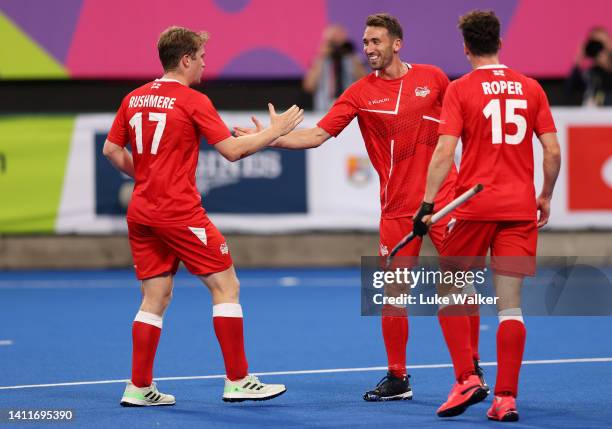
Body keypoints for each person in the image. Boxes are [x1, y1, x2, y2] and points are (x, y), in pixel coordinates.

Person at [235, 13, 475, 402]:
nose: (369, 48)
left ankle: (472, 370)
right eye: (365, 42)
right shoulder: (360, 93)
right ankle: (398, 378)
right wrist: (267, 138)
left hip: (445, 200)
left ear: (397, 43)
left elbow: (461, 128)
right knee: (393, 293)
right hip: (397, 208)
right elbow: (315, 135)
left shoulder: (434, 78)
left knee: (460, 285)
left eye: (376, 41)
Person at [102, 26, 304, 406]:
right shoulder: (192, 100)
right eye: (202, 58)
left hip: (142, 212)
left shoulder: (133, 98)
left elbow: (112, 151)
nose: (204, 65)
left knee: (154, 297)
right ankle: (239, 379)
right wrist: (274, 132)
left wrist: (146, 176)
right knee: (226, 287)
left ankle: (139, 387)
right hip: (178, 211)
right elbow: (231, 150)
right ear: (185, 60)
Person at [414, 10, 561, 421]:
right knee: (510, 307)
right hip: (518, 210)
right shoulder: (531, 88)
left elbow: (444, 153)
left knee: (449, 291)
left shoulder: (460, 90)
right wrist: (544, 195)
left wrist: (427, 205)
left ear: (465, 47)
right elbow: (552, 151)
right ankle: (506, 398)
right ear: (500, 42)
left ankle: (466, 379)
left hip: (474, 209)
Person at [303, 24, 367, 111]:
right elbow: (309, 86)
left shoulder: (352, 58)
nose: (336, 47)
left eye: (339, 42)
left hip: (350, 106)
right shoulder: (320, 60)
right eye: (333, 43)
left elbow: (365, 83)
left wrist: (351, 54)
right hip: (324, 108)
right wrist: (321, 56)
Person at [565, 26, 612, 106]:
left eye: (602, 44)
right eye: (596, 44)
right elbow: (568, 91)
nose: (599, 49)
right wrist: (579, 58)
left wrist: (607, 63)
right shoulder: (587, 74)